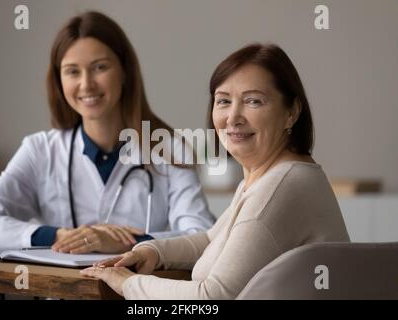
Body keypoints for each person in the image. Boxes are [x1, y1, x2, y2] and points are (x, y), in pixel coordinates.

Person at [80, 43, 350, 299]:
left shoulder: (281, 186)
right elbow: (212, 239)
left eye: (253, 101)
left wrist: (128, 284)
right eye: (223, 101)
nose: (233, 117)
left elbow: (214, 297)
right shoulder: (269, 177)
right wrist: (152, 251)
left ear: (292, 112)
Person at [0, 11, 215, 253]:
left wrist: (128, 243)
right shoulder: (40, 150)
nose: (86, 84)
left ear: (125, 71)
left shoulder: (168, 149)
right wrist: (59, 237)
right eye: (72, 71)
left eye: (100, 67)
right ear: (59, 81)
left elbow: (201, 235)